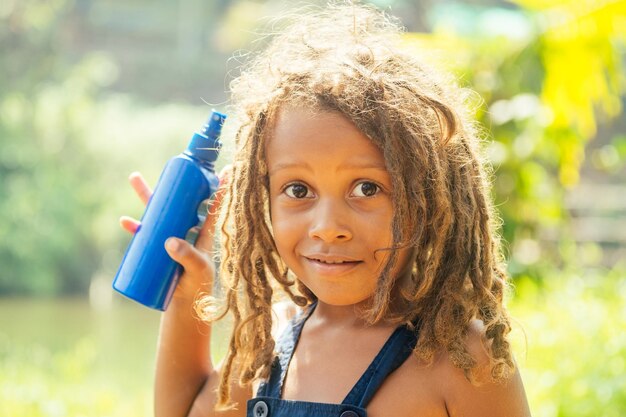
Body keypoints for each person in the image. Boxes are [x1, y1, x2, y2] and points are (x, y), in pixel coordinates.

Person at [120, 3, 531, 417]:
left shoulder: (461, 360)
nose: (327, 227)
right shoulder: (272, 344)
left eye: (366, 188)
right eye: (298, 189)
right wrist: (189, 290)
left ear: (428, 199)